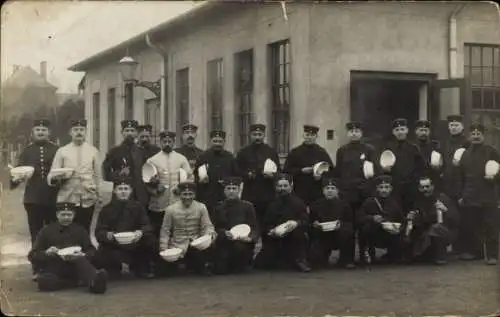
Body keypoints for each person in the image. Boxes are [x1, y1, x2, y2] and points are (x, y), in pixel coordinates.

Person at [9, 119, 59, 279]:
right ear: (33, 132)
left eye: (44, 130)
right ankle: (38, 268)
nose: (41, 132)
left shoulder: (57, 150)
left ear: (49, 133)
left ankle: (53, 267)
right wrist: (15, 180)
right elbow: (16, 175)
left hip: (54, 199)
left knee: (53, 233)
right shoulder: (26, 151)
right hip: (33, 199)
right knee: (36, 234)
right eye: (38, 130)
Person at [27, 202, 107, 294]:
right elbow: (32, 255)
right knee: (44, 281)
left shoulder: (80, 230)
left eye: (69, 215)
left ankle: (95, 283)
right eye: (63, 215)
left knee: (83, 262)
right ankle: (77, 282)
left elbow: (91, 250)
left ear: (74, 215)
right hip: (56, 265)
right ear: (57, 215)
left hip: (76, 265)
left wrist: (83, 254)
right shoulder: (46, 231)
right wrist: (46, 253)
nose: (66, 218)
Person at [93, 176, 155, 278]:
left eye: (126, 189)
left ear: (130, 191)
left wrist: (140, 232)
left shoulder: (138, 207)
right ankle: (113, 269)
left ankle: (141, 268)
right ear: (114, 191)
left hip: (134, 242)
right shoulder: (106, 209)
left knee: (150, 240)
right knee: (100, 255)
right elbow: (99, 231)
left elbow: (147, 225)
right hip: (114, 243)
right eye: (120, 189)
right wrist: (107, 235)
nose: (123, 192)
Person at [456, 123, 500, 264]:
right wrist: (461, 195)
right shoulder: (465, 153)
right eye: (473, 134)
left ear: (483, 136)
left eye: (478, 134)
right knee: (472, 225)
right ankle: (475, 252)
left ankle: (492, 255)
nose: (475, 136)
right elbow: (460, 176)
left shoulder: (491, 151)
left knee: (490, 225)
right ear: (470, 135)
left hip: (488, 194)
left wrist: (494, 178)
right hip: (470, 194)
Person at [47, 119, 101, 232]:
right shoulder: (62, 151)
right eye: (75, 130)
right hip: (68, 197)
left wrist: (99, 195)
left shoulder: (93, 151)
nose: (79, 132)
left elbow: (98, 176)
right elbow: (52, 174)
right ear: (70, 132)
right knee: (67, 229)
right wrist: (58, 177)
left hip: (87, 198)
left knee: (85, 229)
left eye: (82, 130)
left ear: (86, 132)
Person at [335, 121, 375, 260]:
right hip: (347, 193)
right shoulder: (342, 151)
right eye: (351, 131)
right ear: (347, 133)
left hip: (364, 193)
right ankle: (347, 256)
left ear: (361, 133)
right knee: (348, 224)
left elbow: (374, 172)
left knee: (365, 224)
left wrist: (369, 189)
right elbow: (338, 172)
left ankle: (366, 253)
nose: (354, 133)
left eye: (357, 131)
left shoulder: (369, 150)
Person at [254, 173, 311, 272]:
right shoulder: (271, 204)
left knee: (298, 234)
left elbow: (306, 221)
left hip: (293, 238)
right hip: (275, 238)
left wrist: (296, 223)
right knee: (259, 264)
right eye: (280, 186)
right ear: (276, 187)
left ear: (291, 186)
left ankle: (300, 260)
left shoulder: (299, 203)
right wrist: (271, 230)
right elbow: (266, 223)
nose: (282, 188)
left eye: (285, 186)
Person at [159, 182, 216, 276]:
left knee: (201, 267)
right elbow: (165, 230)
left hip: (195, 244)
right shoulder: (170, 209)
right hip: (177, 244)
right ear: (180, 194)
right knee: (166, 271)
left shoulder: (201, 207)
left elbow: (207, 226)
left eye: (190, 194)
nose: (187, 197)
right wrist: (163, 248)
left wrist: (209, 236)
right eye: (184, 194)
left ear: (194, 195)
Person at [145, 130, 191, 239]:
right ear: (160, 142)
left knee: (177, 233)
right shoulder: (152, 160)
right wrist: (155, 189)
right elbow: (146, 182)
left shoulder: (181, 159)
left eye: (169, 141)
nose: (167, 144)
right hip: (159, 204)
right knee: (159, 232)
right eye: (164, 141)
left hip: (177, 202)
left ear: (173, 142)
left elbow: (189, 177)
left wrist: (181, 188)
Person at [406, 176, 459, 265]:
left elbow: (457, 220)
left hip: (447, 231)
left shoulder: (443, 198)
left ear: (432, 186)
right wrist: (412, 217)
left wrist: (446, 210)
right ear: (419, 189)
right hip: (428, 231)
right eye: (422, 187)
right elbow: (421, 221)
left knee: (436, 228)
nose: (425, 189)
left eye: (427, 186)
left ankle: (440, 256)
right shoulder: (418, 202)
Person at [235, 124, 280, 228]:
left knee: (267, 224)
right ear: (250, 135)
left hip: (267, 194)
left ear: (264, 135)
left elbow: (279, 172)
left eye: (260, 134)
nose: (257, 137)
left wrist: (272, 175)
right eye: (255, 134)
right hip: (250, 194)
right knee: (249, 223)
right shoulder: (243, 152)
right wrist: (247, 175)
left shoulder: (271, 152)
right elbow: (237, 171)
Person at [212, 177, 259, 274]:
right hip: (225, 241)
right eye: (228, 188)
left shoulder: (247, 206)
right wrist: (224, 233)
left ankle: (243, 264)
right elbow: (214, 227)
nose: (231, 191)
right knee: (220, 269)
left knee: (239, 254)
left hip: (242, 242)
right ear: (224, 191)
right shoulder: (218, 207)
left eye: (234, 188)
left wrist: (250, 238)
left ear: (239, 190)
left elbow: (255, 227)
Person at [377, 118, 425, 214]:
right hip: (395, 187)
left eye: (402, 129)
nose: (400, 132)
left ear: (407, 130)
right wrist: (385, 169)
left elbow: (421, 167)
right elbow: (382, 167)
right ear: (393, 132)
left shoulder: (414, 148)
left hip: (410, 187)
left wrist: (415, 181)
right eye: (397, 130)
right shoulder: (388, 148)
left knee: (410, 212)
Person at [308, 177, 355, 269]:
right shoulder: (316, 205)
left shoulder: (344, 205)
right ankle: (321, 256)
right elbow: (310, 220)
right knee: (317, 262)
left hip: (339, 234)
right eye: (327, 188)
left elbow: (350, 222)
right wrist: (315, 224)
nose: (330, 191)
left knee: (348, 233)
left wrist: (341, 224)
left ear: (337, 191)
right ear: (323, 191)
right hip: (322, 235)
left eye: (333, 188)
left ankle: (346, 259)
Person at [357, 175, 405, 264]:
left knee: (400, 235)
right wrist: (371, 218)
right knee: (365, 228)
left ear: (391, 189)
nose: (384, 190)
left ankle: (393, 255)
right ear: (377, 189)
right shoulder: (370, 201)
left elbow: (402, 221)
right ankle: (367, 254)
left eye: (386, 187)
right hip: (374, 233)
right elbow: (359, 217)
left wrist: (398, 228)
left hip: (389, 234)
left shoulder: (395, 203)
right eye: (381, 187)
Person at [283, 125, 334, 206]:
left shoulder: (321, 152)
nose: (309, 137)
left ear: (316, 136)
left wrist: (321, 176)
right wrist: (301, 171)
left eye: (312, 135)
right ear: (303, 135)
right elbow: (286, 170)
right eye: (307, 135)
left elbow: (331, 170)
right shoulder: (295, 152)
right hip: (300, 190)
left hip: (317, 191)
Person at [102, 120, 148, 207]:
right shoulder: (114, 151)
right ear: (122, 133)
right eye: (127, 130)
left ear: (136, 133)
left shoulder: (142, 151)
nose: (129, 133)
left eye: (132, 130)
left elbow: (148, 172)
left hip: (139, 195)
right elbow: (105, 173)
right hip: (121, 194)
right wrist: (119, 173)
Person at [194, 130, 238, 217]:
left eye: (220, 141)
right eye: (215, 141)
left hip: (225, 198)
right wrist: (201, 180)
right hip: (207, 197)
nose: (217, 144)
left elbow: (236, 176)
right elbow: (195, 176)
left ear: (224, 142)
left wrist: (226, 182)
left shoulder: (230, 157)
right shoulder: (203, 157)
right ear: (210, 141)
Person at [442, 115, 470, 203]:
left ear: (462, 127)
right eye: (451, 125)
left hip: (461, 183)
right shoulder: (444, 142)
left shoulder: (467, 143)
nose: (454, 128)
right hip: (447, 184)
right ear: (448, 127)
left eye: (456, 125)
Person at [414, 120, 442, 190]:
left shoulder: (435, 146)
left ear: (429, 132)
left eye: (426, 130)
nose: (423, 133)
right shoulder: (412, 147)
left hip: (432, 182)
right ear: (416, 131)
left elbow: (441, 164)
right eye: (421, 130)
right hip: (416, 182)